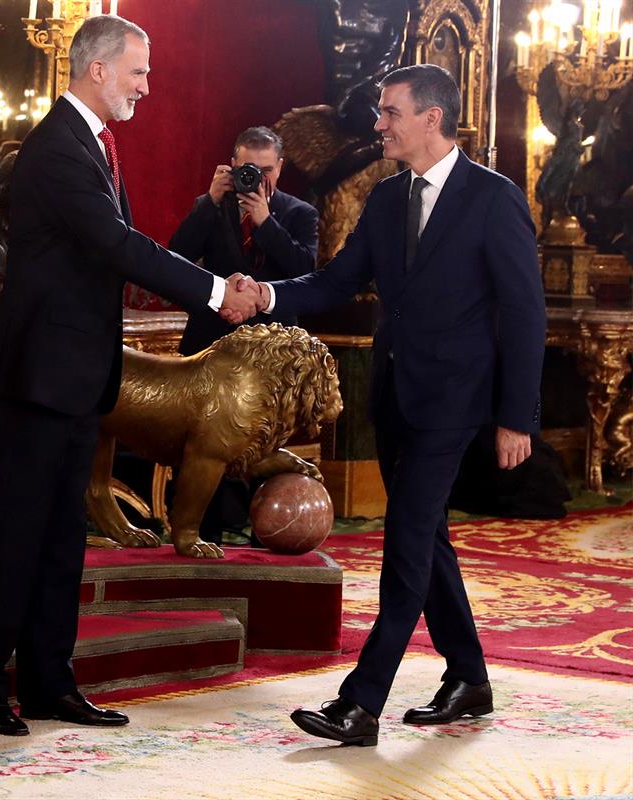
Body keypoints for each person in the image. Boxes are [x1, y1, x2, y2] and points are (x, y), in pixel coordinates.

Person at [229, 64, 546, 746]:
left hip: (455, 404)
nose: (377, 124)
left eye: (389, 112)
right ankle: (469, 678)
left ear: (431, 118)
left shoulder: (494, 198)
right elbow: (337, 280)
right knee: (426, 538)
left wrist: (517, 416)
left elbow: (524, 313)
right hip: (395, 398)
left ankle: (360, 703)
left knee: (404, 543)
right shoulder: (385, 199)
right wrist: (268, 296)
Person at [0, 14, 250, 737]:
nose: (147, 87)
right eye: (138, 73)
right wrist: (213, 291)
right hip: (34, 377)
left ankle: (51, 680)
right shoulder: (57, 149)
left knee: (62, 536)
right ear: (97, 70)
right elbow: (118, 244)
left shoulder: (91, 145)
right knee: (15, 535)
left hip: (77, 377)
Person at [169, 125, 318, 544]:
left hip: (270, 354)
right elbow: (174, 258)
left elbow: (306, 274)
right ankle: (201, 533)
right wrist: (210, 203)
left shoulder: (299, 213)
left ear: (281, 168)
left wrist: (266, 222)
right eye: (248, 169)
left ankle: (264, 538)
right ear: (232, 166)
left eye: (266, 170)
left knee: (264, 447)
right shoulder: (210, 206)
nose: (257, 179)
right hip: (212, 347)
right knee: (203, 445)